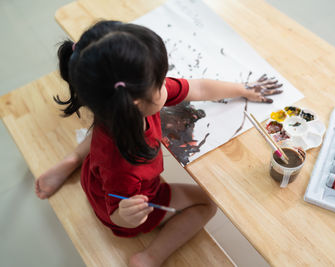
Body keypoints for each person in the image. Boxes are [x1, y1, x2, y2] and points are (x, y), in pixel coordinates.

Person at [35, 20, 281, 267]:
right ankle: (148, 257)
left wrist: (244, 88)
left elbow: (197, 87)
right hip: (124, 202)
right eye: (161, 81)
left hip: (98, 171)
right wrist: (128, 216)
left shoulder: (117, 107)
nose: (167, 83)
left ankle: (73, 159)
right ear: (136, 103)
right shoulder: (123, 164)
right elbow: (116, 214)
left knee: (102, 132)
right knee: (207, 203)